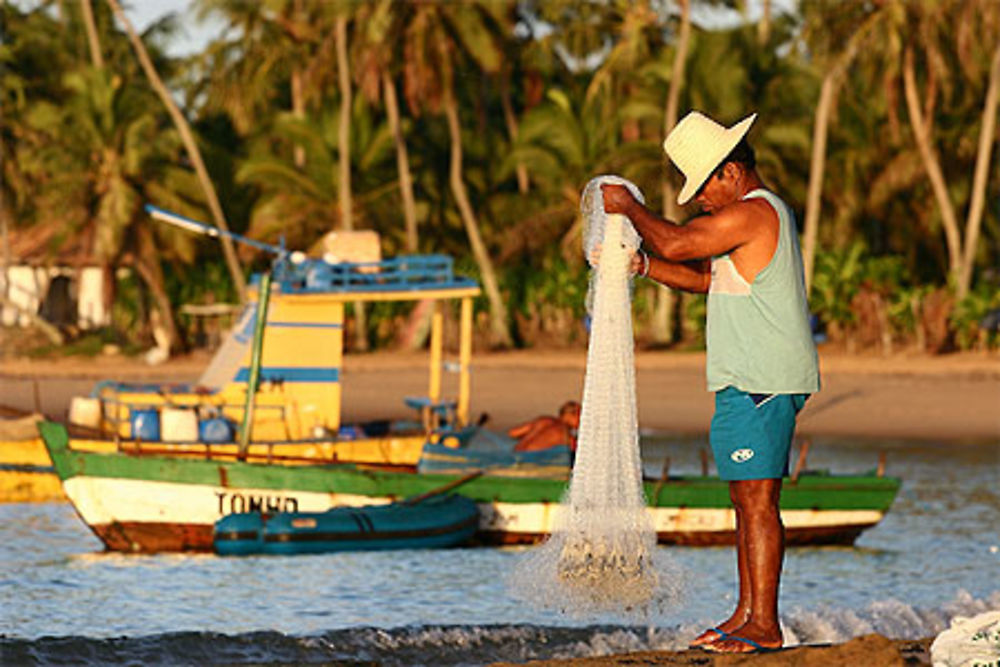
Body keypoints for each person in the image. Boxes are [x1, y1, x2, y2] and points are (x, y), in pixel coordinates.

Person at [601, 111, 820, 654]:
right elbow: (702, 276)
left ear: (730, 172)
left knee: (759, 501)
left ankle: (764, 625)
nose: (697, 198)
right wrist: (640, 266)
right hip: (742, 377)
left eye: (701, 187)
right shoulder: (744, 222)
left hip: (762, 378)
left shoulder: (755, 212)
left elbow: (678, 244)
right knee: (744, 501)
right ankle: (747, 613)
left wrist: (630, 209)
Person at [509, 400, 581, 453]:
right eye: (580, 416)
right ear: (571, 415)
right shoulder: (564, 432)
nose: (582, 421)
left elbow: (512, 433)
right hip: (528, 457)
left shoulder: (544, 420)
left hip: (515, 452)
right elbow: (577, 447)